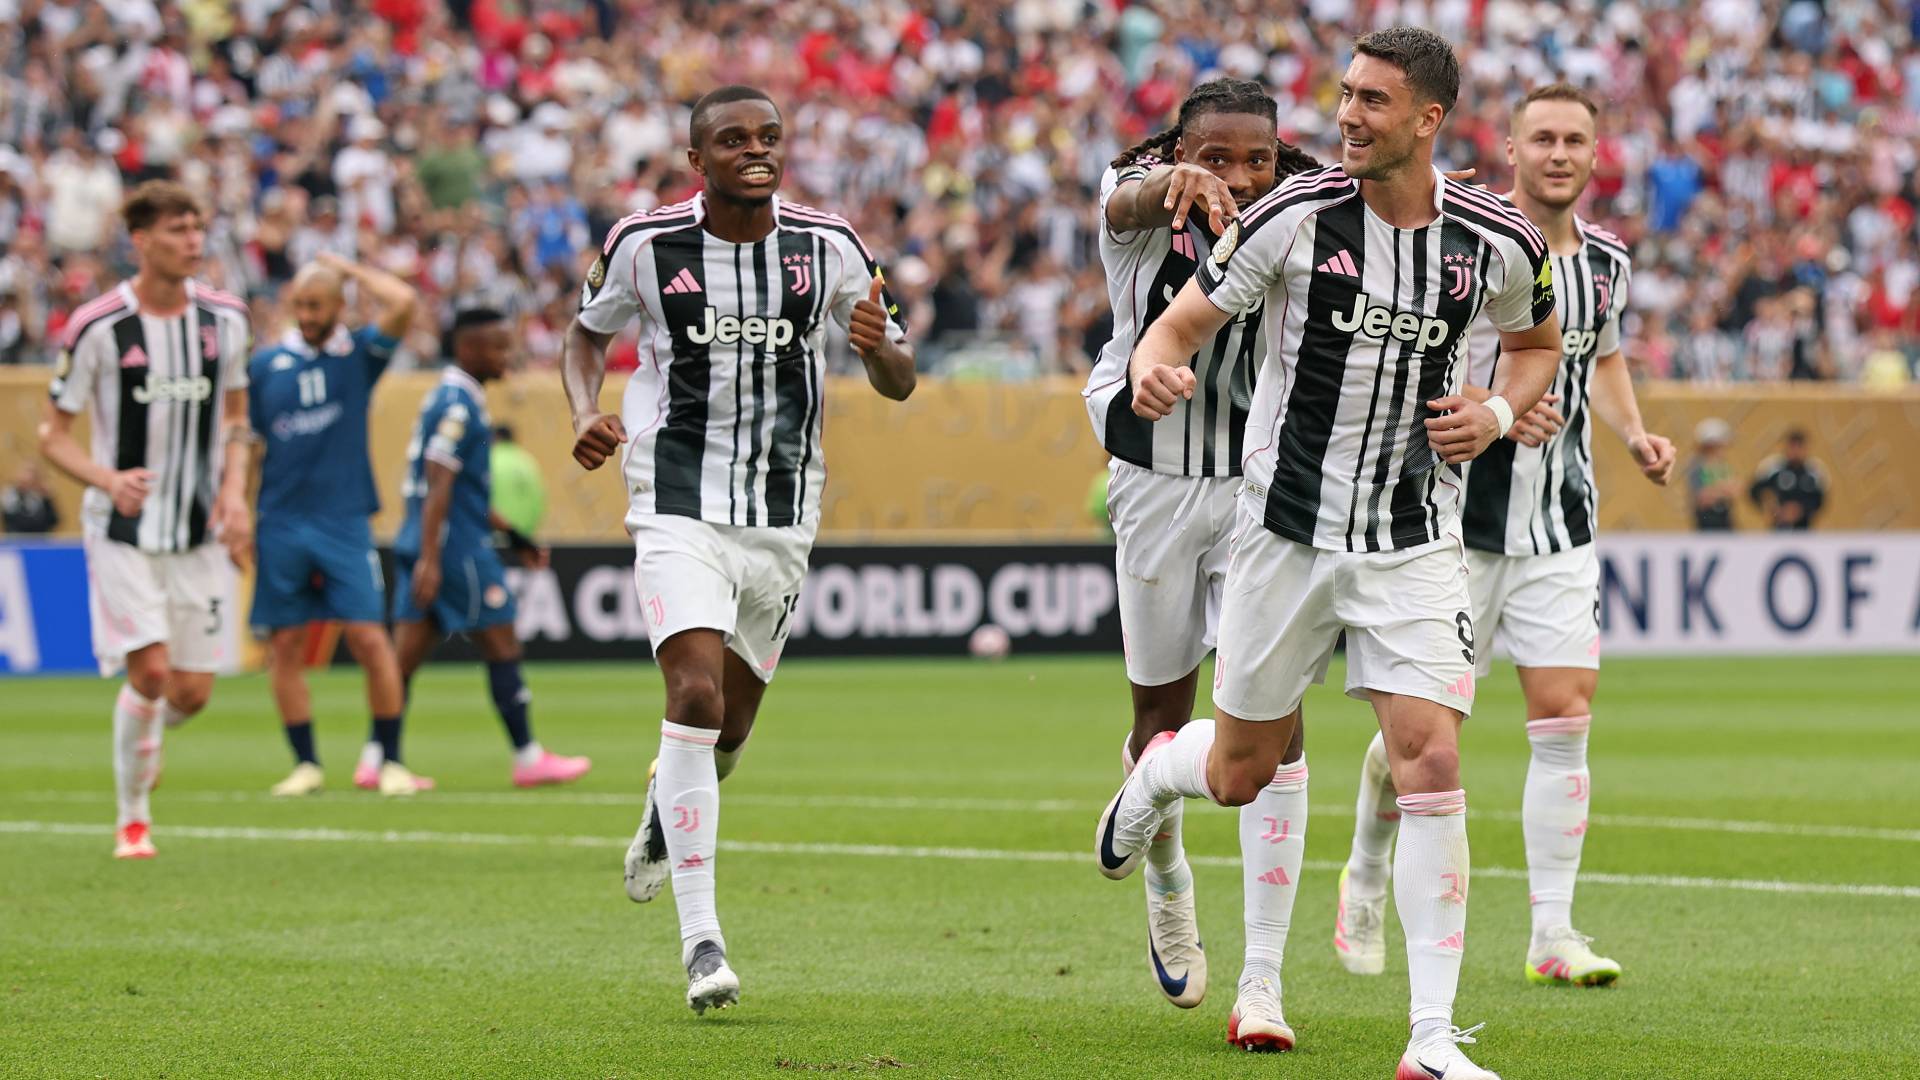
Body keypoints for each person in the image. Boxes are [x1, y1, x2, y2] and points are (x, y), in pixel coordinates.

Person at [1093, 30, 1560, 1078]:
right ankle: (1154, 781)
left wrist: (1492, 410)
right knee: (1240, 771)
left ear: (1428, 121)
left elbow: (1536, 348)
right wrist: (1159, 368)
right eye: (1344, 96)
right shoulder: (1293, 219)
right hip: (1283, 534)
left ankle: (1432, 1038)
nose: (1347, 116)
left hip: (1411, 540)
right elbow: (1175, 328)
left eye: (1373, 101)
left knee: (1429, 756)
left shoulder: (1496, 239)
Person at [562, 85, 915, 1016]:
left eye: (768, 137)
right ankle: (701, 940)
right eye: (732, 139)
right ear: (697, 159)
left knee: (730, 730)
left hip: (783, 512)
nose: (755, 151)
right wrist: (582, 412)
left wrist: (879, 350)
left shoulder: (830, 245)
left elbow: (900, 379)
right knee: (692, 693)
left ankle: (661, 809)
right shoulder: (644, 243)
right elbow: (582, 336)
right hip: (675, 495)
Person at [1334, 83, 1677, 997]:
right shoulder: (1476, 242)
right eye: (1542, 139)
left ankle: (1553, 933)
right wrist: (1498, 408)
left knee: (1564, 718)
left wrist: (1634, 431)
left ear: (1595, 157)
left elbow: (1599, 355)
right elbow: (1431, 357)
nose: (1559, 153)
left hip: (1561, 525)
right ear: (1513, 151)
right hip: (1456, 524)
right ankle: (1365, 868)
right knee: (1423, 729)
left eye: (1574, 139)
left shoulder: (1608, 264)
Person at [1083, 76, 1321, 1044]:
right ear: (1177, 146)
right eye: (1213, 155)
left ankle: (1262, 982)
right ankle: (1168, 877)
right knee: (1160, 721)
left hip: (1263, 490)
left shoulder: (1304, 215)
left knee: (1281, 731)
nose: (1233, 175)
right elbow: (1123, 200)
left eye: (1254, 159)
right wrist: (1172, 179)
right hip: (1152, 480)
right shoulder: (1139, 199)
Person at [36, 181, 254, 859]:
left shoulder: (226, 320)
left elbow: (238, 421)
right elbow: (53, 435)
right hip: (123, 529)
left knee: (191, 691)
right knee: (152, 674)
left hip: (196, 531)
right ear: (141, 240)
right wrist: (106, 478)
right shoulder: (99, 325)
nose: (192, 241)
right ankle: (133, 817)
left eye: (198, 228)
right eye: (177, 229)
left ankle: (148, 734)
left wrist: (235, 495)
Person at [247, 252, 426, 797]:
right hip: (279, 520)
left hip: (344, 520)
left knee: (370, 639)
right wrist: (237, 505)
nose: (305, 313)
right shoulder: (263, 367)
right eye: (299, 304)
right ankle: (306, 764)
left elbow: (404, 302)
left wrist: (347, 266)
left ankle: (389, 758)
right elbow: (249, 445)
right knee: (285, 645)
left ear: (339, 306)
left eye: (316, 304)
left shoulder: (358, 357)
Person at [390, 308, 592, 788]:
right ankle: (527, 756)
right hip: (456, 547)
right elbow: (440, 481)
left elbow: (462, 490)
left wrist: (516, 537)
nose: (509, 355)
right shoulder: (460, 402)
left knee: (403, 657)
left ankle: (379, 756)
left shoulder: (449, 396)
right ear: (468, 349)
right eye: (499, 346)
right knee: (501, 638)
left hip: (432, 538)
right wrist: (433, 557)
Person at [1749, 428, 1827, 530]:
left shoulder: (1814, 471)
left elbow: (1819, 500)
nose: (1795, 451)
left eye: (1799, 447)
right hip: (1778, 525)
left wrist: (1801, 510)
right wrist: (1771, 508)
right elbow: (1755, 490)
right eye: (1792, 447)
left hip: (1803, 527)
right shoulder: (1774, 467)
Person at [489, 425, 547, 539]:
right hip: (523, 537)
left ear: (495, 438)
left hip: (493, 537)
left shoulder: (489, 460)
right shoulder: (527, 461)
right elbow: (539, 501)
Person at [1689, 418, 1738, 530]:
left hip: (1725, 519)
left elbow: (1735, 490)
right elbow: (1702, 498)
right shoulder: (1697, 466)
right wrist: (1723, 489)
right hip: (1708, 522)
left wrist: (1715, 491)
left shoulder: (1723, 465)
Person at [2, 463, 59, 533]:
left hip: (39, 540)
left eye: (33, 474)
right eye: (27, 472)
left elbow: (54, 521)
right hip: (16, 539)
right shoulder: (11, 493)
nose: (29, 477)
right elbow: (13, 521)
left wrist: (47, 500)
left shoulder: (41, 495)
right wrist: (21, 492)